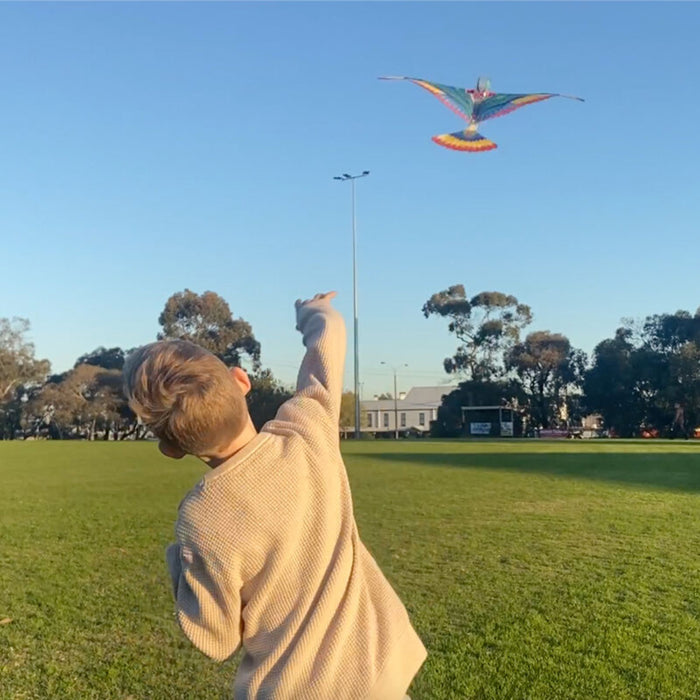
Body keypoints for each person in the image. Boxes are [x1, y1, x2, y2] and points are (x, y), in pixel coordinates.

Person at [123, 292, 427, 699]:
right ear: (241, 380)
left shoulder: (201, 518)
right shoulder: (307, 430)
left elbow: (216, 639)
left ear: (171, 449)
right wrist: (313, 311)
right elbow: (329, 339)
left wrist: (179, 563)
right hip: (375, 678)